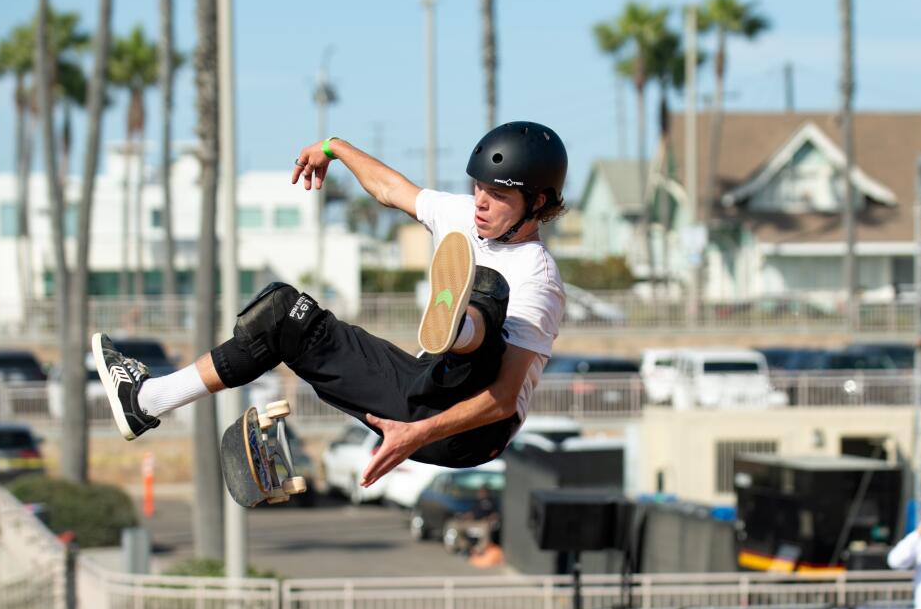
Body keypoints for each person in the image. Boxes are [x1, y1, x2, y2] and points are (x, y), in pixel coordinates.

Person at [93, 123, 569, 493]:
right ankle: (147, 401)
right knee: (284, 313)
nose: (481, 204)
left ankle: (465, 323)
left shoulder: (538, 278)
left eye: (499, 196)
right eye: (477, 188)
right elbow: (390, 189)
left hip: (472, 429)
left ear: (538, 203)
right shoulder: (465, 215)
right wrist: (334, 147)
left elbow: (505, 398)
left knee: (490, 290)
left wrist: (417, 433)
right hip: (423, 387)